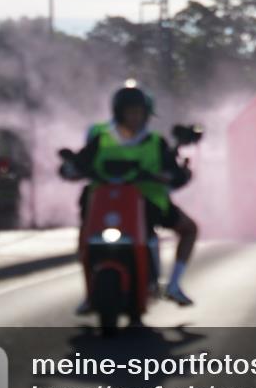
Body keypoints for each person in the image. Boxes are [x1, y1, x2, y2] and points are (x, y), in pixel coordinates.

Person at [63, 85, 199, 313]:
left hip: (149, 205)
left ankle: (174, 284)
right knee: (85, 240)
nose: (135, 117)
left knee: (190, 228)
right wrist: (69, 168)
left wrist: (175, 175)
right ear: (118, 112)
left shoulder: (156, 142)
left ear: (146, 115)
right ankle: (89, 294)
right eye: (130, 111)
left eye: (139, 112)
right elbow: (78, 163)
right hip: (103, 206)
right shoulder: (101, 139)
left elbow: (175, 172)